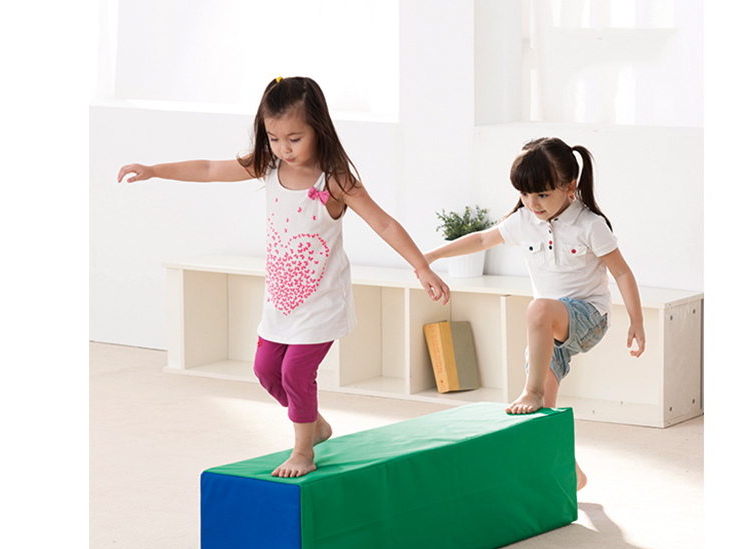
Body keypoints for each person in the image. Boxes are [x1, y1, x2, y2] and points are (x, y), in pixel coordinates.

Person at [118, 76, 449, 478]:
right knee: (265, 370)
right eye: (274, 138)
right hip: (281, 300)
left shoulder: (335, 180)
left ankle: (303, 451)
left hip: (322, 302)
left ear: (318, 129)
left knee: (295, 373)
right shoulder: (268, 165)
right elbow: (209, 169)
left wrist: (421, 266)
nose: (283, 149)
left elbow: (383, 223)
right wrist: (154, 170)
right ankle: (316, 425)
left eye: (294, 138)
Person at [422, 137, 645, 491]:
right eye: (525, 194)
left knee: (538, 312)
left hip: (588, 318)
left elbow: (622, 272)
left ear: (569, 187)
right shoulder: (524, 220)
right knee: (542, 414)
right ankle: (573, 474)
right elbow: (482, 240)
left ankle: (531, 390)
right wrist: (431, 256)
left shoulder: (589, 225)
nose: (532, 203)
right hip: (548, 329)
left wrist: (637, 321)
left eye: (542, 194)